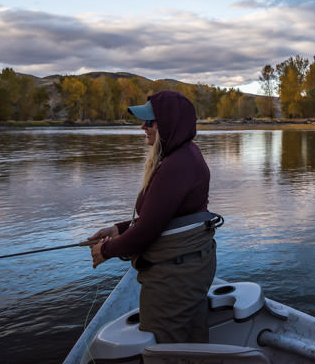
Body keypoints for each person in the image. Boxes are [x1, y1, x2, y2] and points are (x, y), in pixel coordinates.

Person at [88, 90, 220, 343]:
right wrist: (118, 229)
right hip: (190, 268)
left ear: (169, 123)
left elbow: (146, 232)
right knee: (192, 341)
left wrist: (106, 250)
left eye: (149, 121)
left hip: (174, 278)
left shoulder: (176, 165)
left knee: (165, 348)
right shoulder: (186, 155)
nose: (143, 127)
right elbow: (167, 216)